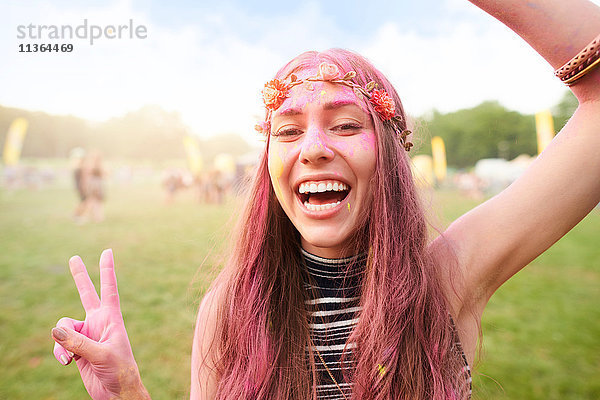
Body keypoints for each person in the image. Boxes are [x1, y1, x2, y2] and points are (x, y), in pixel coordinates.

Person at [50, 0, 600, 398]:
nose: (312, 148)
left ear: (388, 153)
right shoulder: (229, 307)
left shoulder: (448, 278)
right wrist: (126, 391)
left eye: (343, 124)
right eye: (287, 131)